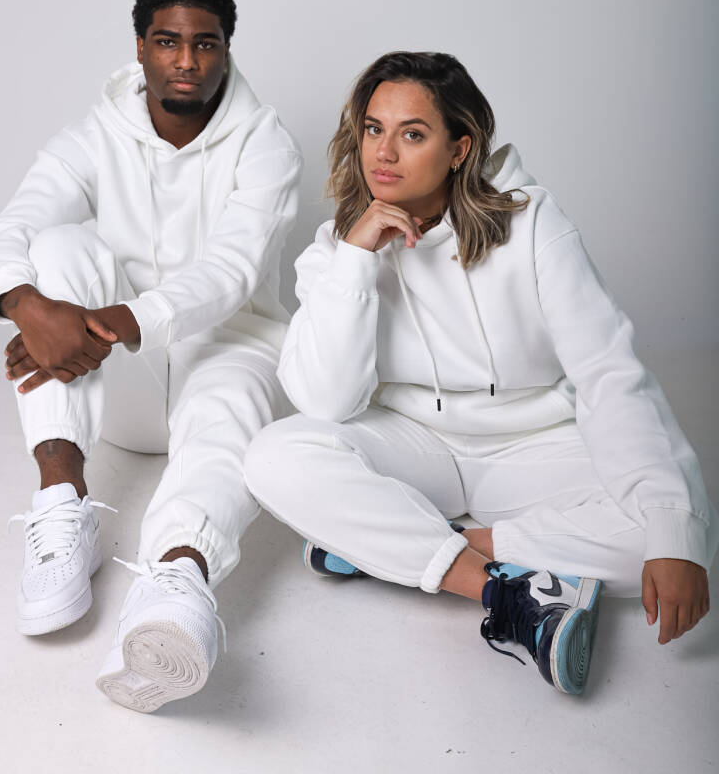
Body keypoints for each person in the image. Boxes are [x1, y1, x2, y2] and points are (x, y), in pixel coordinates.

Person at [244, 50, 715, 696]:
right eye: (374, 129)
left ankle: (391, 544)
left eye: (413, 134)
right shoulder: (338, 248)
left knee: (674, 536)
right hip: (415, 445)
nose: (384, 152)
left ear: (459, 148)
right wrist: (355, 260)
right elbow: (326, 403)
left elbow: (608, 374)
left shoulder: (533, 225)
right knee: (274, 456)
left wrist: (670, 524)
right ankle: (505, 593)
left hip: (533, 445)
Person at [0, 0, 302, 713]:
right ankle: (62, 506)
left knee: (230, 400)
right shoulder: (94, 134)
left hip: (222, 351)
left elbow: (231, 269)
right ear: (140, 46)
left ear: (226, 50)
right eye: (167, 41)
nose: (186, 60)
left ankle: (175, 582)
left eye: (205, 44)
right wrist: (29, 308)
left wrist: (110, 324)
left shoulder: (266, 144)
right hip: (118, 388)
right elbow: (13, 226)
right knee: (56, 249)